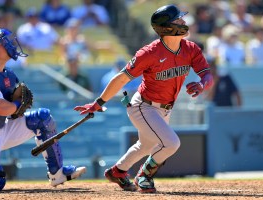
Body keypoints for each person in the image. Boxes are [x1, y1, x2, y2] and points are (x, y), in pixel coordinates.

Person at [74, 4, 213, 193]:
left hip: (165, 108)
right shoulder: (149, 53)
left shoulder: (190, 49)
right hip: (143, 106)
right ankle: (144, 176)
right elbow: (121, 78)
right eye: (178, 19)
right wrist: (98, 103)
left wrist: (202, 85)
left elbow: (207, 75)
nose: (183, 22)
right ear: (167, 27)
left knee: (146, 145)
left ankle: (118, 171)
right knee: (171, 143)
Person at [0, 28, 86, 191]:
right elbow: (0, 108)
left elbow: (11, 113)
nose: (12, 44)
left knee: (42, 118)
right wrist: (17, 105)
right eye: (6, 41)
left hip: (1, 130)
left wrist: (18, 110)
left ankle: (57, 173)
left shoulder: (9, 75)